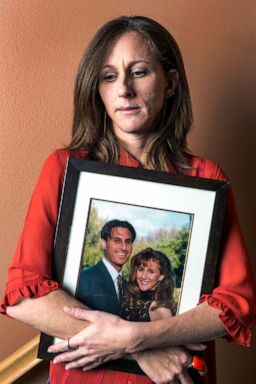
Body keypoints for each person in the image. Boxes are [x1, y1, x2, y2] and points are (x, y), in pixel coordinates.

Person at [1, 15, 255, 384]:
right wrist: (141, 349)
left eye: (138, 72)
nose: (123, 89)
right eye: (109, 76)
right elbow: (24, 296)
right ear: (97, 90)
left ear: (169, 84)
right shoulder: (65, 168)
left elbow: (235, 304)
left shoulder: (206, 178)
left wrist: (138, 338)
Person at [77, 219, 136, 314]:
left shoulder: (128, 286)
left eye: (128, 242)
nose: (124, 247)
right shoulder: (83, 279)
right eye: (117, 241)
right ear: (104, 244)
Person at [120, 247, 176, 322]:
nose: (143, 276)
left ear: (161, 276)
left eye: (151, 271)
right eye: (141, 269)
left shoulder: (160, 310)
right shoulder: (130, 297)